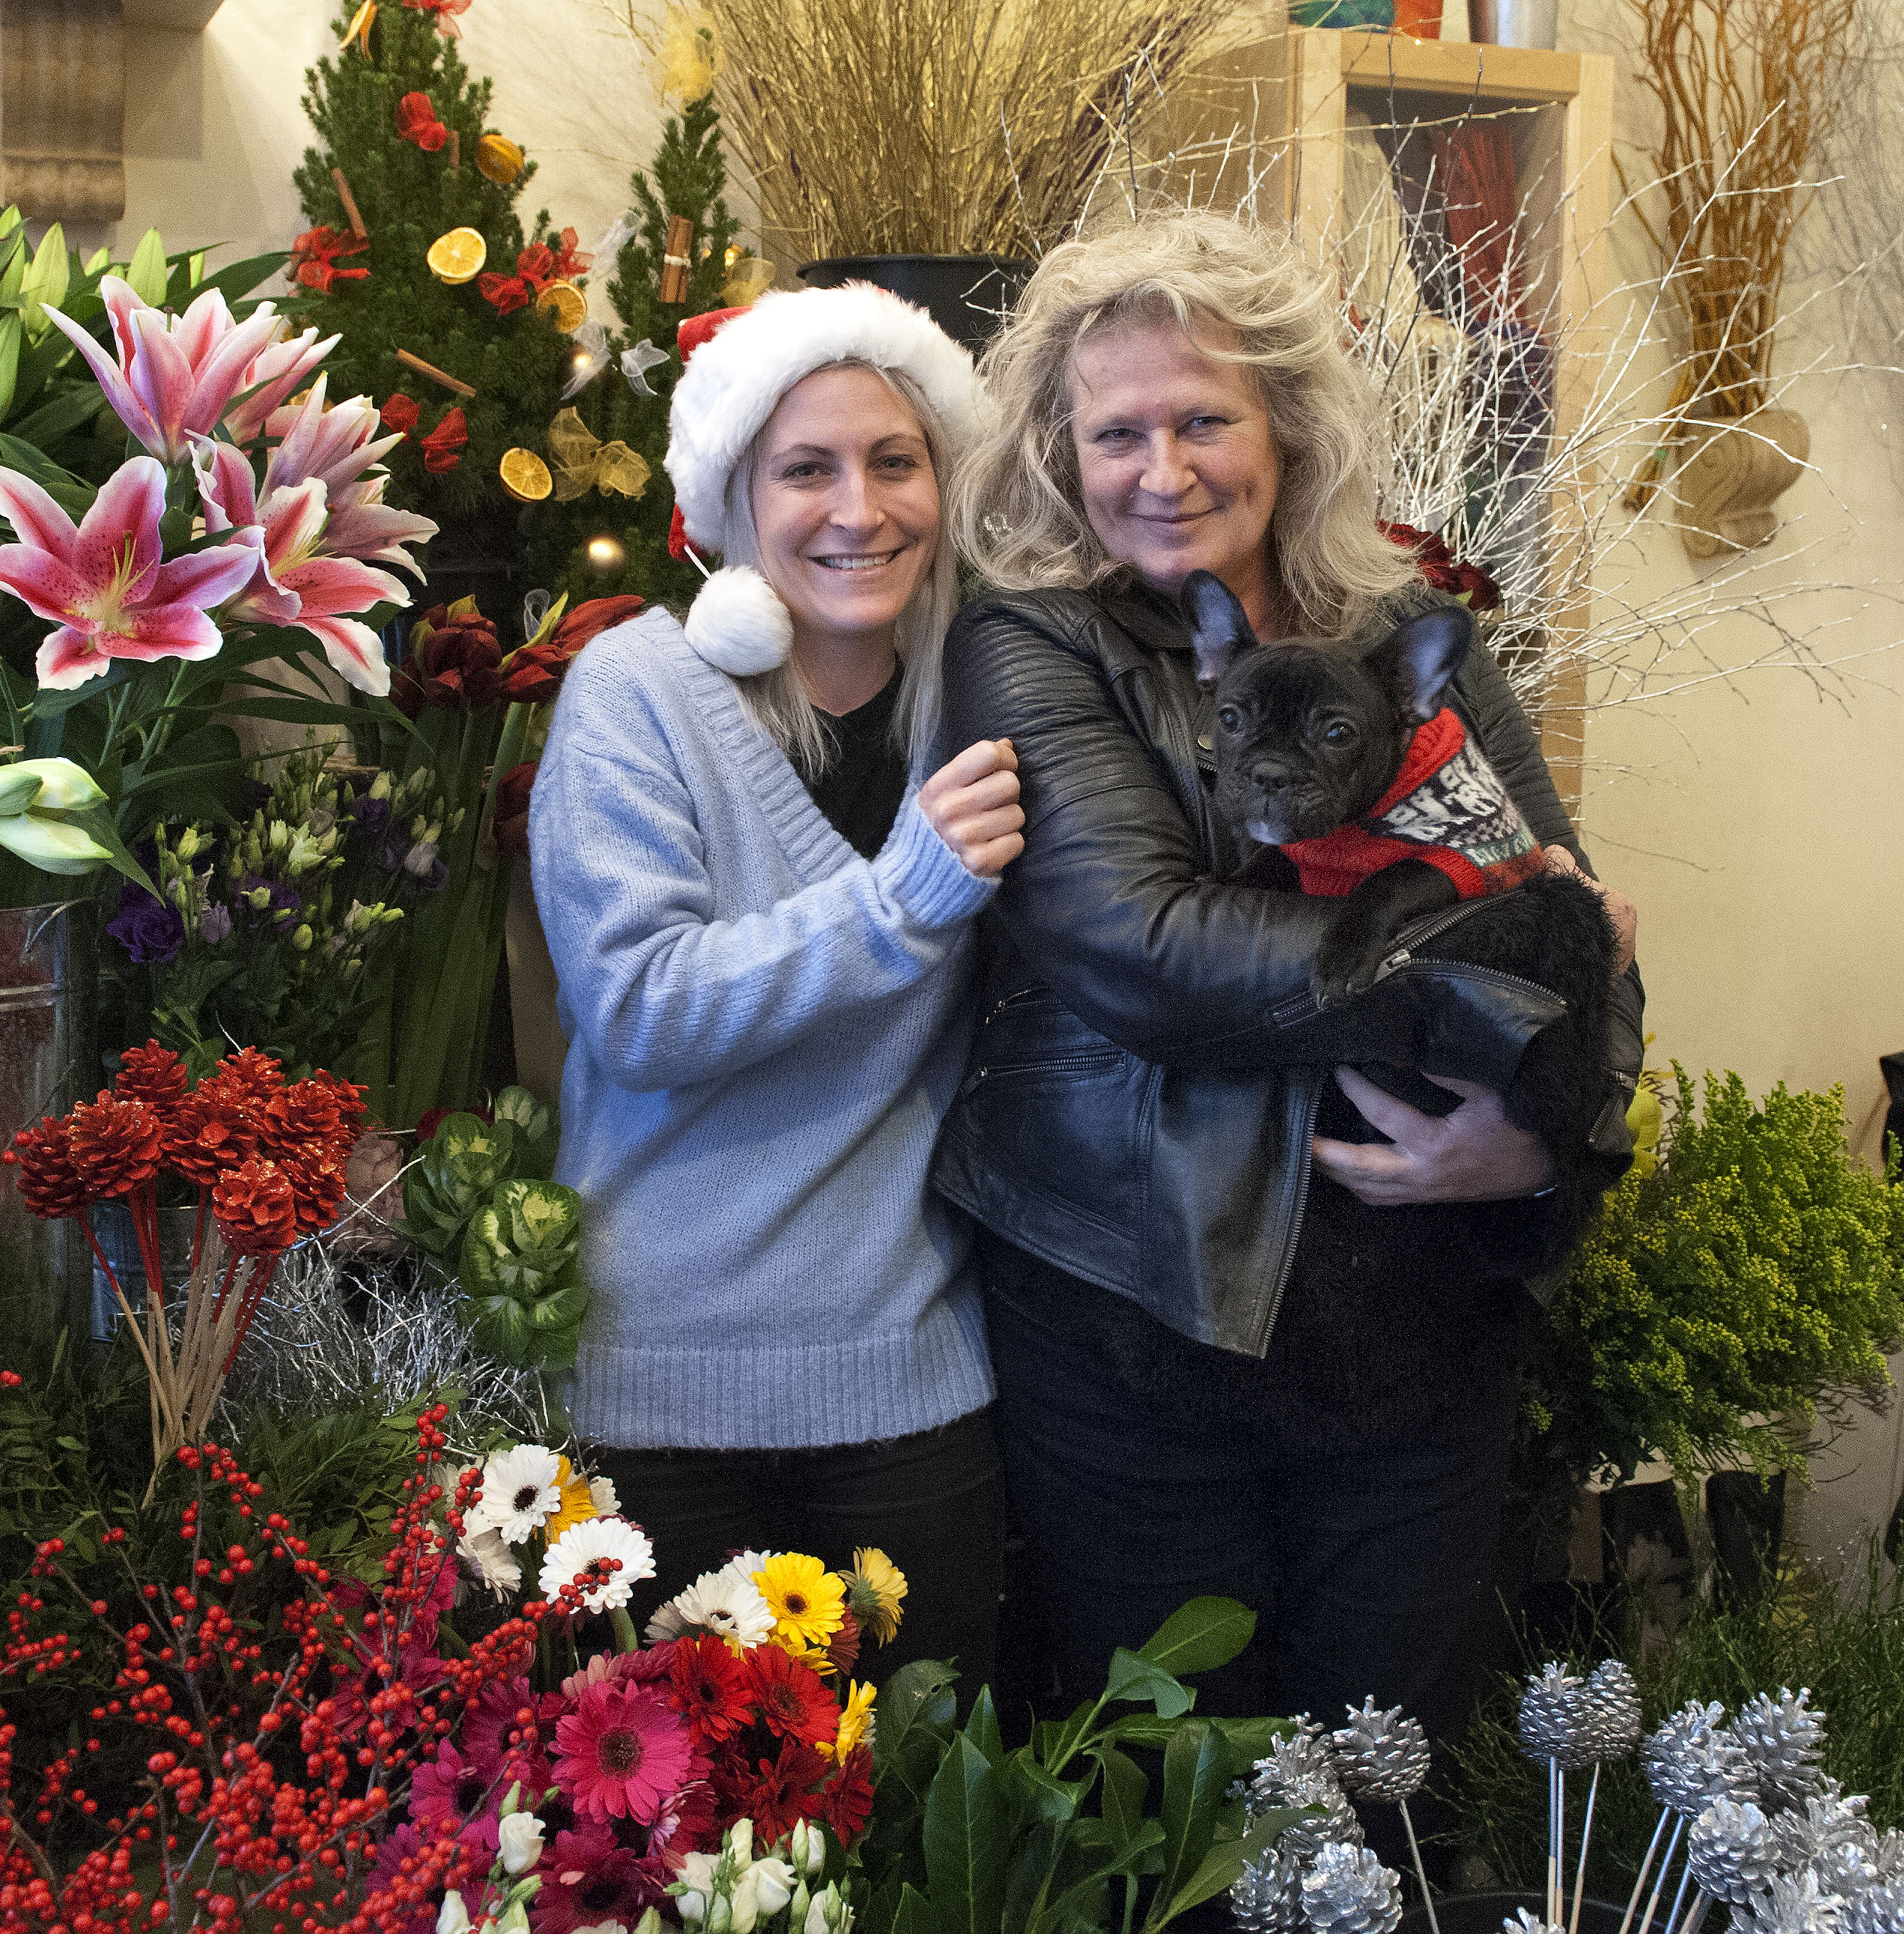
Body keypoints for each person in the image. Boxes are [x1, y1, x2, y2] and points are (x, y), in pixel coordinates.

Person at [929, 210, 1646, 1744]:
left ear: (1287, 429)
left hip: (1418, 1331)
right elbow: (1148, 951)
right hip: (1139, 1314)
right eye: (1116, 432)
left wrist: (1538, 1142)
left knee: (1390, 1777)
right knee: (1176, 1787)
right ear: (1060, 452)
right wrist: (1505, 1009)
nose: (1162, 469)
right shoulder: (1034, 646)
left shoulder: (1412, 637)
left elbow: (1581, 924)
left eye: (1204, 420)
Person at [528, 284, 1025, 1685]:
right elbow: (638, 1007)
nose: (858, 509)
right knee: (672, 1813)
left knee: (922, 1806)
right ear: (734, 501)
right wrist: (899, 900)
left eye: (895, 461)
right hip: (658, 1400)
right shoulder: (636, 691)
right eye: (807, 468)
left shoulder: (985, 697)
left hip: (911, 1385)